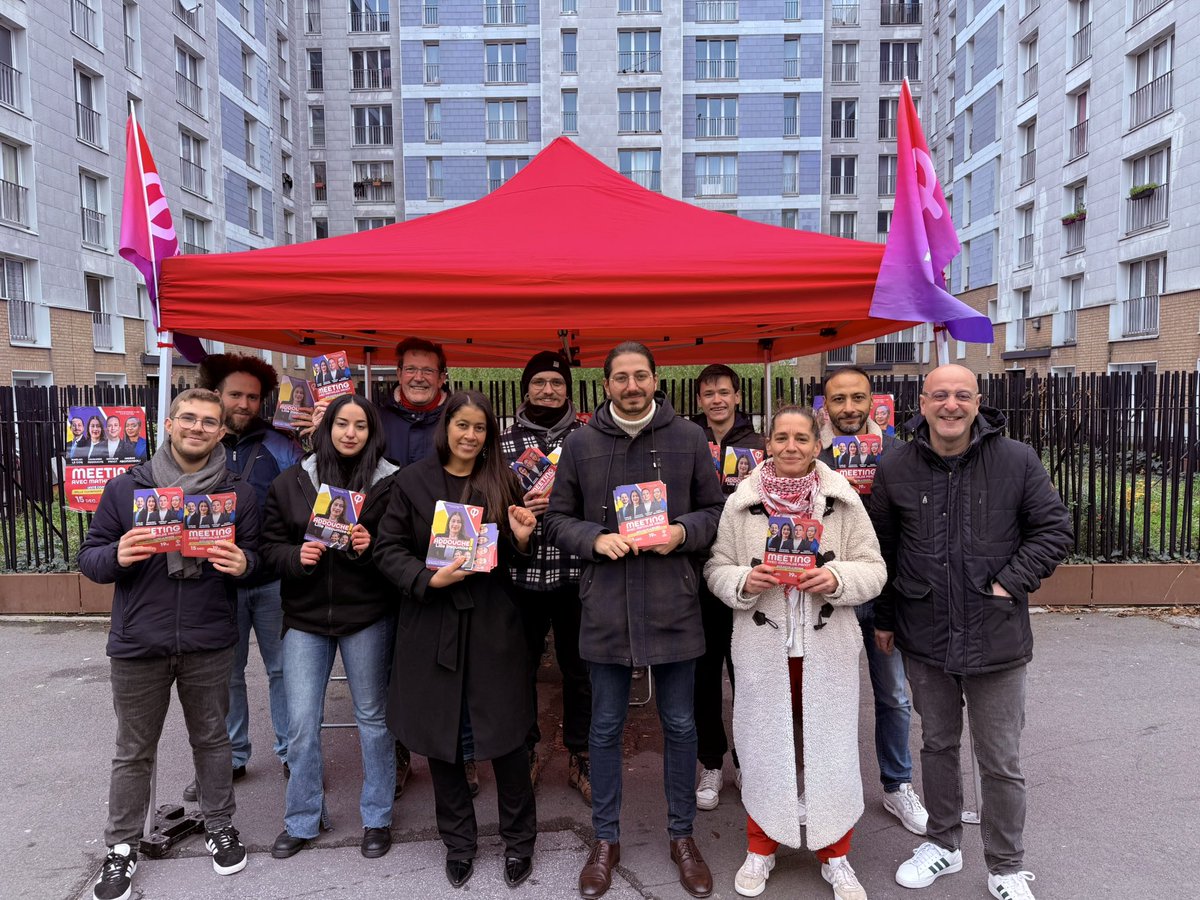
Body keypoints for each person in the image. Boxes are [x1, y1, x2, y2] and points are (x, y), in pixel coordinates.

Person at [868, 365, 1073, 900]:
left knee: (999, 758)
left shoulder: (1016, 460)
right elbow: (885, 551)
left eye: (962, 395)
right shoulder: (897, 466)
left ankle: (1005, 866)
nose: (951, 405)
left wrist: (1011, 581)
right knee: (936, 744)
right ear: (923, 401)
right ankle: (943, 843)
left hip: (996, 635)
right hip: (925, 634)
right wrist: (886, 620)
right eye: (940, 395)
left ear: (978, 401)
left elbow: (1054, 530)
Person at [545, 341, 726, 900]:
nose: (631, 385)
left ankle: (682, 836)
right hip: (606, 602)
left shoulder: (688, 438)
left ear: (655, 380)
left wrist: (681, 532)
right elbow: (556, 519)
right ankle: (606, 838)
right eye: (620, 377)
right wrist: (594, 539)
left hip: (673, 600)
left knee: (680, 724)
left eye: (640, 376)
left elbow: (716, 511)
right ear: (605, 385)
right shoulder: (580, 443)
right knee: (603, 729)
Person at [78, 388, 259, 900]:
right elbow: (89, 559)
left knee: (213, 740)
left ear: (222, 432)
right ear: (169, 423)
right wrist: (118, 553)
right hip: (139, 641)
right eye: (189, 419)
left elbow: (258, 559)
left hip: (208, 637)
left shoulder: (239, 494)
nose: (197, 428)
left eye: (209, 422)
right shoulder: (124, 490)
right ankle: (122, 846)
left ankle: (219, 824)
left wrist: (246, 565)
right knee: (133, 751)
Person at [704, 404, 885, 900]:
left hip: (826, 648)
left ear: (816, 444)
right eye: (781, 437)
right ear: (767, 445)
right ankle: (761, 850)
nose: (790, 447)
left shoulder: (843, 502)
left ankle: (836, 855)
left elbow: (874, 567)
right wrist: (744, 579)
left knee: (831, 752)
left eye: (801, 438)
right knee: (765, 750)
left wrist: (837, 578)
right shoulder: (741, 504)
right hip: (764, 647)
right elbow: (716, 566)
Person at [375, 390, 539, 890]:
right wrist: (428, 580)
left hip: (493, 625)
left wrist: (523, 536)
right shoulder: (412, 482)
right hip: (433, 624)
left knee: (508, 741)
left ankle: (519, 842)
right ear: (446, 426)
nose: (470, 436)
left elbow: (512, 559)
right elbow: (387, 549)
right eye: (462, 425)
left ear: (490, 435)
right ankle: (459, 844)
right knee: (443, 743)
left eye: (480, 428)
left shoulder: (502, 479)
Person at [260, 394, 400, 861]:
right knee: (301, 724)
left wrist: (371, 544)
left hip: (366, 616)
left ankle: (377, 817)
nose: (350, 433)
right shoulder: (291, 482)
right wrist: (295, 557)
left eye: (361, 426)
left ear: (372, 432)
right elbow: (267, 546)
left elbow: (404, 550)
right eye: (343, 424)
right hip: (304, 618)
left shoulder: (390, 482)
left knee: (373, 721)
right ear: (328, 428)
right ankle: (302, 819)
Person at [818, 366, 929, 836]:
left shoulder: (900, 456)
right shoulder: (812, 455)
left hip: (886, 593)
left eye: (857, 398)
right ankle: (825, 786)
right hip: (832, 591)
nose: (849, 408)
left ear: (872, 402)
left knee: (895, 695)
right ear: (826, 406)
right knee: (827, 698)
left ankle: (897, 784)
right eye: (839, 400)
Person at [192, 353, 306, 800]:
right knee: (226, 673)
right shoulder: (197, 441)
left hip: (273, 578)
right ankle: (233, 757)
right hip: (215, 580)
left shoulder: (281, 444)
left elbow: (305, 497)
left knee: (283, 670)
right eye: (235, 394)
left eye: (252, 396)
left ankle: (289, 753)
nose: (244, 403)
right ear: (217, 395)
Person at [500, 350, 593, 803]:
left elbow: (603, 500)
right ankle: (527, 749)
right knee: (520, 670)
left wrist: (564, 506)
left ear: (568, 390)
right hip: (522, 573)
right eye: (539, 382)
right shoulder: (503, 441)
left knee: (580, 669)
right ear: (525, 389)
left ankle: (581, 752)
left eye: (557, 383)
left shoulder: (587, 436)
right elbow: (483, 500)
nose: (548, 390)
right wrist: (514, 510)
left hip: (577, 572)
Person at [689, 363, 765, 813]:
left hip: (749, 575)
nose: (716, 400)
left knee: (749, 678)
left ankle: (750, 762)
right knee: (703, 676)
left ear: (737, 396)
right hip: (697, 576)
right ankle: (711, 763)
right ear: (699, 400)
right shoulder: (686, 444)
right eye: (708, 393)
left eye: (724, 392)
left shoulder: (759, 447)